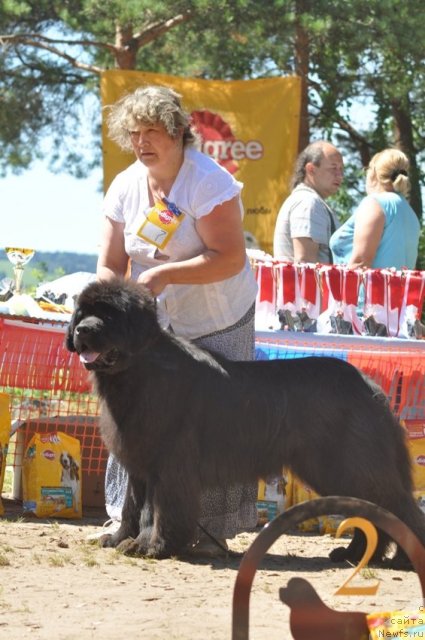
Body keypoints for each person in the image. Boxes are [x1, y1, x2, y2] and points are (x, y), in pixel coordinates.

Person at [94, 85, 259, 557]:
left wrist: (164, 274)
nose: (142, 141)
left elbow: (228, 258)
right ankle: (129, 522)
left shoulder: (209, 182)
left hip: (218, 316)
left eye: (153, 132)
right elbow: (110, 262)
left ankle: (210, 529)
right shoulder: (126, 184)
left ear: (180, 133)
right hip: (153, 326)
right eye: (135, 133)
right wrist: (110, 301)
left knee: (214, 421)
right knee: (140, 418)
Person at [330, 148, 420, 269]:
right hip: (399, 288)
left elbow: (359, 264)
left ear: (373, 174)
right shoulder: (410, 213)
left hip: (366, 288)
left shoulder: (374, 204)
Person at [273, 141, 344, 263]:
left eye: (341, 169)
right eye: (333, 168)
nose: (340, 175)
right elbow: (305, 264)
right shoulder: (308, 202)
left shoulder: (309, 201)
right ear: (311, 169)